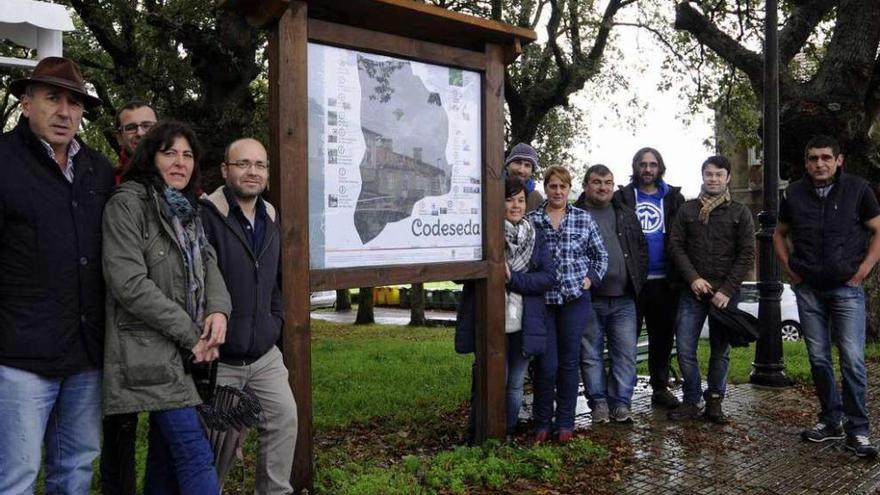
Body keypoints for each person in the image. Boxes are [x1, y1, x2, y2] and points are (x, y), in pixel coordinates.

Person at [0, 56, 114, 494]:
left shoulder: (98, 170)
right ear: (26, 104)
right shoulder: (3, 162)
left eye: (75, 103)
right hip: (21, 358)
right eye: (53, 98)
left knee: (76, 472)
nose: (65, 112)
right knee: (17, 477)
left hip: (85, 355)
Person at [102, 121, 231, 493]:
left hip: (187, 352)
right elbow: (128, 284)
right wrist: (192, 334)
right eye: (169, 152)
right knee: (194, 454)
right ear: (150, 157)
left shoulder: (188, 210)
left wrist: (219, 310)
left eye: (188, 155)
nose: (180, 162)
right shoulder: (128, 203)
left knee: (163, 459)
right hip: (148, 349)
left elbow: (208, 263)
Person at [201, 138, 298, 492]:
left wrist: (275, 320)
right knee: (216, 453)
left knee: (284, 421)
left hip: (264, 357)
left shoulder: (271, 218)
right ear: (226, 170)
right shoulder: (206, 218)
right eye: (243, 164)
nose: (252, 171)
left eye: (259, 165)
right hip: (221, 360)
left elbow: (273, 282)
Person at [774, 135, 880, 457]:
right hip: (809, 290)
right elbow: (779, 234)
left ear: (839, 160)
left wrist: (863, 270)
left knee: (852, 360)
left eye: (825, 158)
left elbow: (878, 230)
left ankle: (858, 430)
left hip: (847, 288)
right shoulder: (793, 193)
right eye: (812, 158)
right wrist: (789, 270)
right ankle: (831, 420)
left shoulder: (858, 190)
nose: (819, 164)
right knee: (819, 359)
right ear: (806, 162)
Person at [456, 177, 555, 441]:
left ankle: (505, 433)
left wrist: (513, 279)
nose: (516, 206)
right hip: (490, 320)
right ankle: (479, 433)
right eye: (509, 200)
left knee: (514, 383)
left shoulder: (535, 235)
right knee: (488, 379)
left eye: (521, 200)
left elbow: (548, 277)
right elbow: (460, 275)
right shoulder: (484, 234)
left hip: (524, 322)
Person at [667, 155, 754, 424]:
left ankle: (715, 400)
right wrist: (693, 278)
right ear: (702, 176)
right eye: (709, 174)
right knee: (684, 347)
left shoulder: (740, 212)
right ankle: (691, 399)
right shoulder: (688, 210)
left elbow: (747, 253)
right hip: (692, 291)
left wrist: (726, 290)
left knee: (720, 350)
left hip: (724, 295)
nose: (713, 179)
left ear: (727, 177)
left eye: (719, 174)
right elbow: (675, 246)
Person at [528, 165, 607, 443]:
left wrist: (589, 280)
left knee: (569, 363)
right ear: (545, 188)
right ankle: (541, 422)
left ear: (569, 189)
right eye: (553, 186)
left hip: (575, 301)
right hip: (544, 303)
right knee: (546, 365)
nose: (558, 191)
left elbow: (601, 256)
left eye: (563, 186)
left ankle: (565, 423)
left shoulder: (583, 219)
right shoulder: (533, 220)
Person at [614, 147, 685, 409]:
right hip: (633, 282)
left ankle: (660, 388)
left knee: (662, 338)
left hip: (665, 282)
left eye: (652, 164)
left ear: (660, 167)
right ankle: (621, 395)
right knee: (625, 340)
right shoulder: (621, 197)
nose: (647, 169)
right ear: (635, 167)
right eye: (643, 164)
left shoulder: (674, 198)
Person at [576, 165, 647, 424]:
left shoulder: (625, 214)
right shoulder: (576, 214)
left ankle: (621, 403)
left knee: (625, 354)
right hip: (589, 299)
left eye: (608, 182)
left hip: (625, 300)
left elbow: (640, 249)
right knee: (591, 355)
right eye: (597, 182)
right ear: (586, 185)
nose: (603, 187)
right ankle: (599, 404)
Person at [114, 100, 158, 183]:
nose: (140, 133)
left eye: (147, 126)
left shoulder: (183, 170)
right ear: (119, 138)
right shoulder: (108, 182)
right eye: (130, 128)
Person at [504, 142, 544, 211]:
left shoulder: (536, 199)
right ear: (507, 165)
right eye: (517, 163)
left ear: (532, 171)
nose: (521, 170)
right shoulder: (493, 190)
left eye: (527, 165)